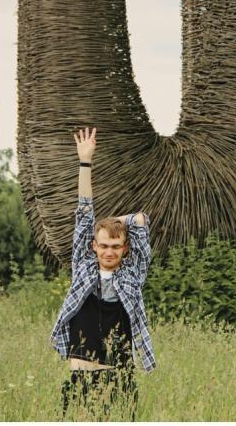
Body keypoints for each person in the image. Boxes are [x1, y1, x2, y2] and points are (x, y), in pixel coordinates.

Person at [50, 126, 157, 420]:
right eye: (104, 245)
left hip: (118, 372)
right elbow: (84, 212)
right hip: (82, 370)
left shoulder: (133, 275)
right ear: (93, 247)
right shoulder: (83, 267)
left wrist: (111, 221)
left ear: (125, 249)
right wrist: (85, 162)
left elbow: (140, 220)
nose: (109, 251)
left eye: (116, 246)